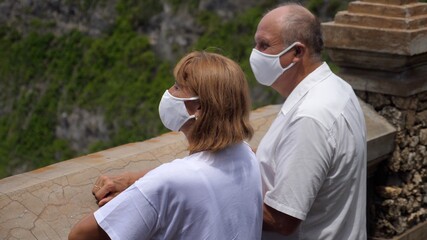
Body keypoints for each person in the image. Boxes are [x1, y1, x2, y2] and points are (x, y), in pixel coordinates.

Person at [68, 51, 263, 240]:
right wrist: (132, 179)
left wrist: (139, 193)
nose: (169, 92)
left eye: (178, 87)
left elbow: (80, 235)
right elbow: (197, 172)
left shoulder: (166, 182)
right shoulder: (245, 155)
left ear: (199, 108)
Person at [249, 3, 367, 240]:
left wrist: (214, 191)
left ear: (297, 53)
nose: (255, 53)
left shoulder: (309, 118)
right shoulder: (337, 88)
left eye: (264, 45)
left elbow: (282, 219)